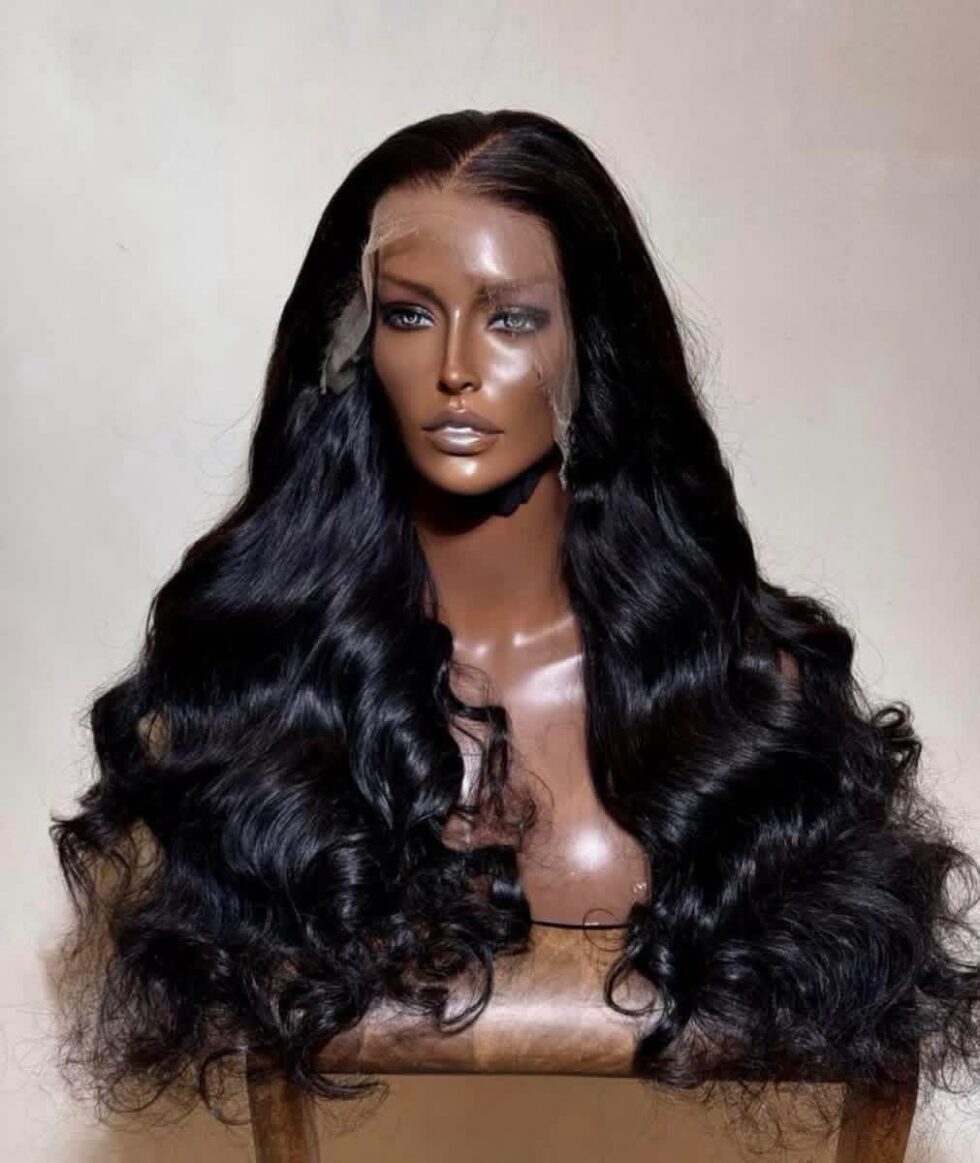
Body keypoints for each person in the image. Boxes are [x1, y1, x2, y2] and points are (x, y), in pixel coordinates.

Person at [50, 109, 980, 1128]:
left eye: (512, 319)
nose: (455, 366)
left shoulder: (741, 699)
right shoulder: (264, 696)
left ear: (590, 343)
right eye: (410, 316)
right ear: (353, 345)